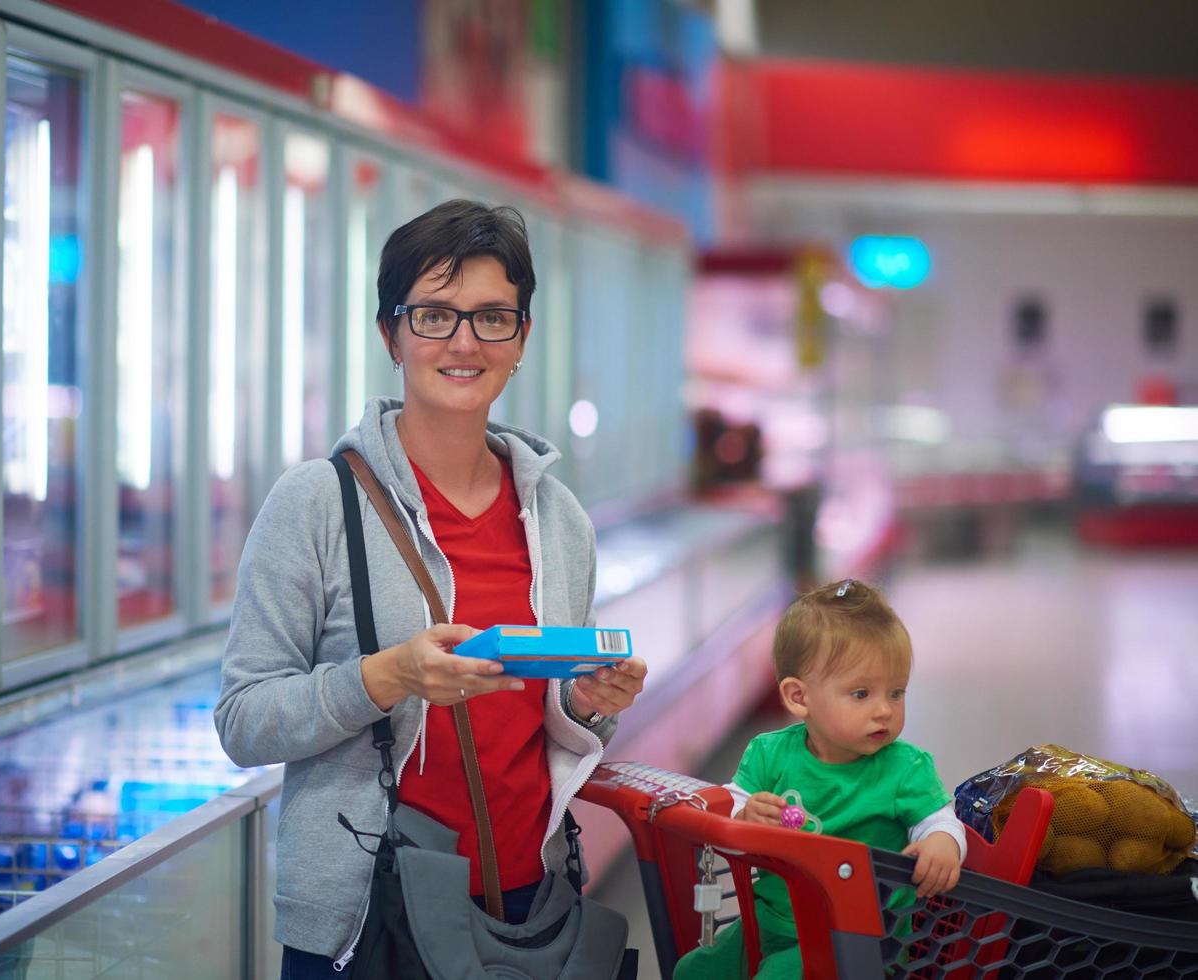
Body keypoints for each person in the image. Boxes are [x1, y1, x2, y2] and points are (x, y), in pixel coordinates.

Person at [215, 200, 648, 979]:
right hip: (366, 917)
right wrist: (389, 677)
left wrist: (588, 704)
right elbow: (244, 721)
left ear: (520, 338)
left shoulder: (557, 518)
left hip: (524, 905)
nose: (462, 342)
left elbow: (547, 722)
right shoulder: (316, 503)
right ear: (391, 334)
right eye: (433, 316)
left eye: (491, 318)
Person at [674, 578, 965, 980]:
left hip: (858, 939)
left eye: (896, 693)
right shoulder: (769, 754)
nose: (884, 710)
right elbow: (727, 806)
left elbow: (939, 819)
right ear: (799, 697)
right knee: (693, 972)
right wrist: (744, 816)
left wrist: (942, 842)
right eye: (862, 694)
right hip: (767, 920)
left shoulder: (905, 768)